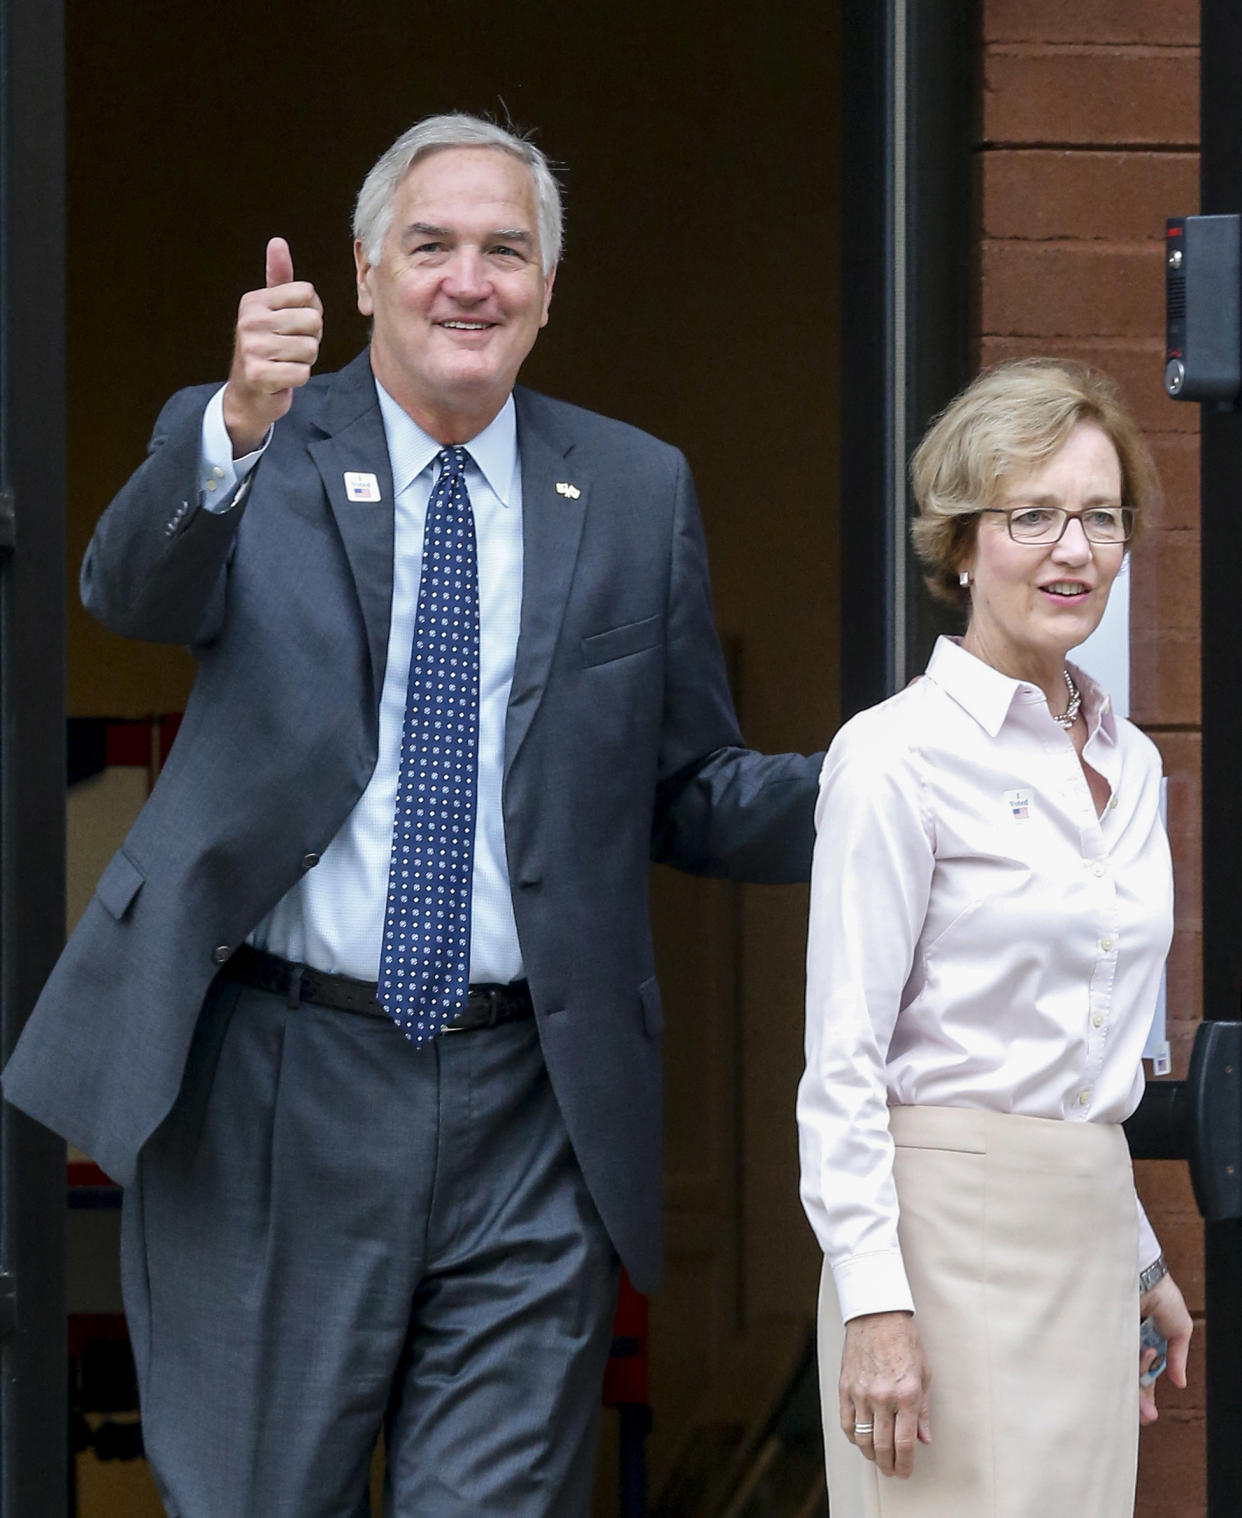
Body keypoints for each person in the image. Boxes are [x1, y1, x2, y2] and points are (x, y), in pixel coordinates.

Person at [3, 114, 821, 1517]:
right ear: (365, 275)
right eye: (430, 246)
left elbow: (686, 786)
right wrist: (231, 426)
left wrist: (893, 789)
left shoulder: (631, 488)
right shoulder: (261, 441)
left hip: (529, 1101)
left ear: (549, 290)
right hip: (276, 1077)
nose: (469, 280)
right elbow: (128, 593)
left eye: (506, 250)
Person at [797, 358, 1193, 1517]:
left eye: (1101, 518)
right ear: (963, 543)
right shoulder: (893, 756)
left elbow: (1082, 1055)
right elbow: (842, 1066)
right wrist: (873, 1305)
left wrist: (1137, 1252)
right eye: (1033, 515)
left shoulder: (1133, 766)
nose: (1073, 550)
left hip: (1084, 1241)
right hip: (938, 1253)